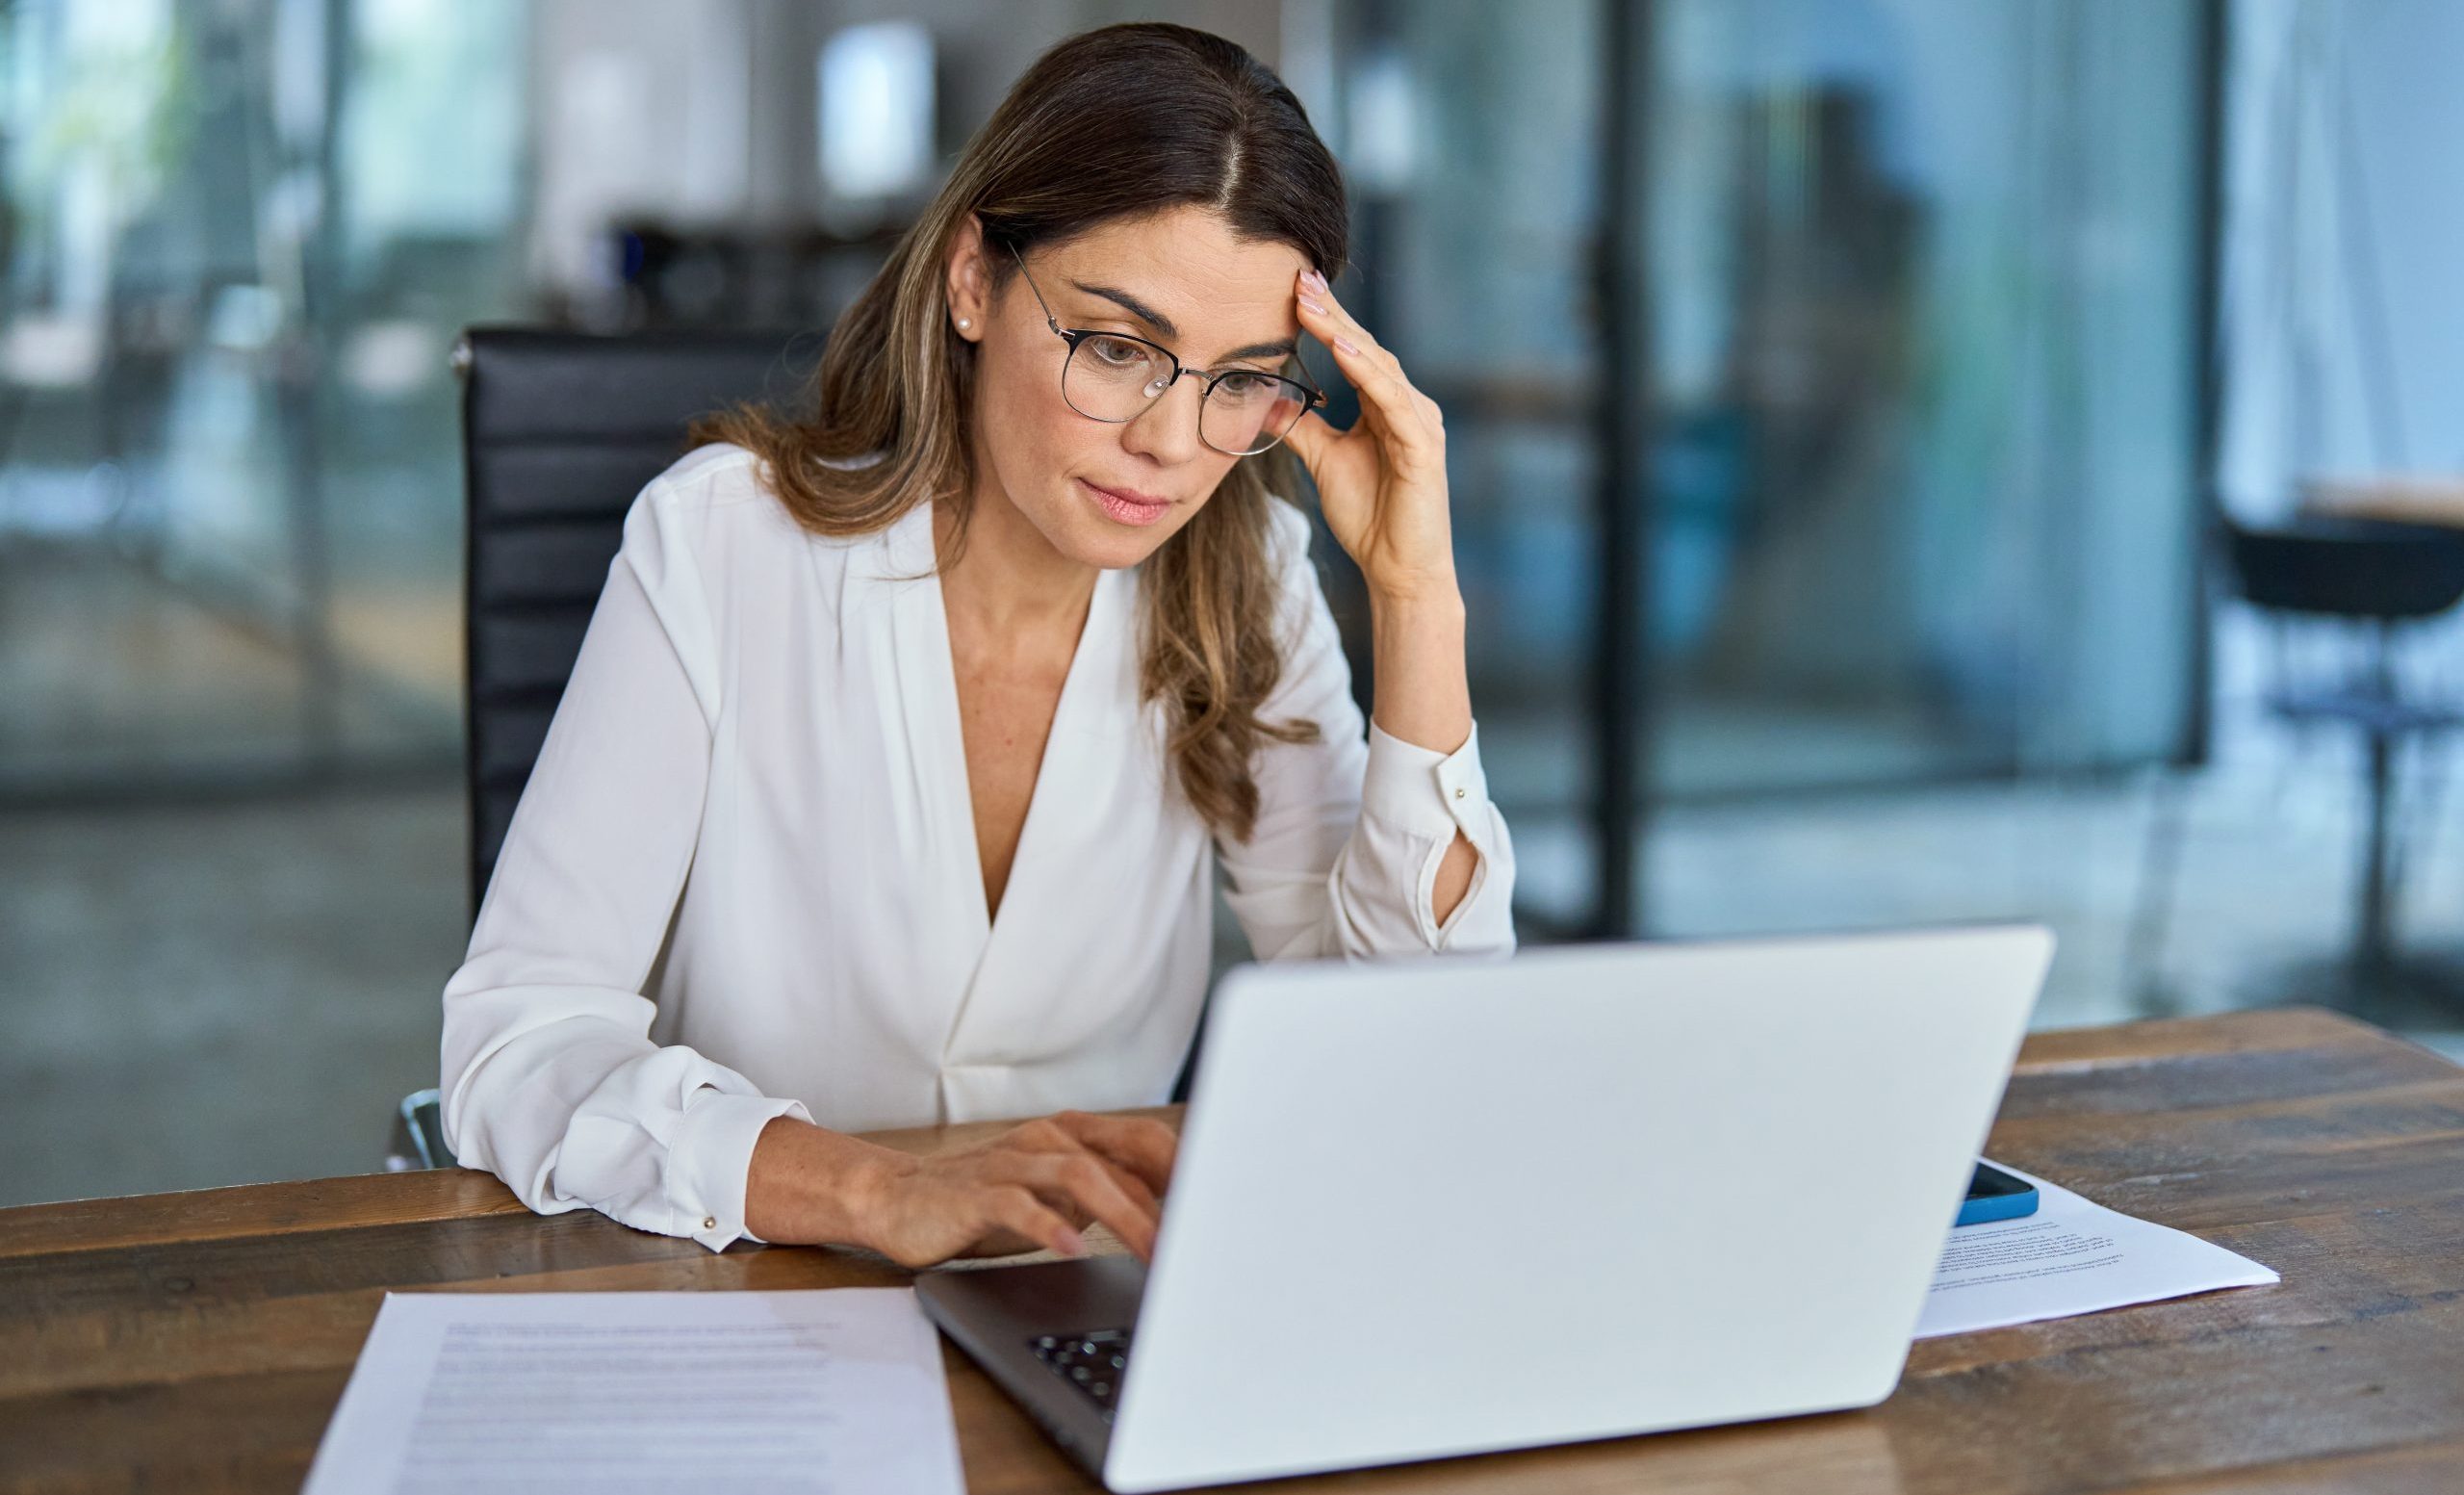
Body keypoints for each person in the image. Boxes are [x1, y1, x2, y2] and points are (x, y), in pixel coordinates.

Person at [438, 21, 1515, 1271]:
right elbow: (515, 1044)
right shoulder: (724, 543)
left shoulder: (1246, 581)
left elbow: (1409, 1054)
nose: (1173, 444)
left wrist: (1418, 596)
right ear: (970, 281)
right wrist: (876, 1189)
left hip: (1083, 1295)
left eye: (1237, 380)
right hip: (749, 1283)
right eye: (1118, 349)